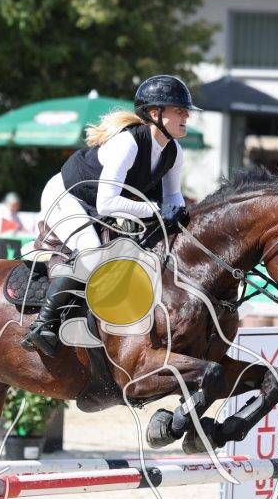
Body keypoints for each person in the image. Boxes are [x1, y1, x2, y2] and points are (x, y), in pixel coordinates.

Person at [21, 75, 193, 356]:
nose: (187, 115)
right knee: (92, 253)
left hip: (104, 204)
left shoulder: (174, 151)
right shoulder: (128, 143)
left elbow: (173, 197)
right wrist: (155, 210)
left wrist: (181, 217)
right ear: (155, 113)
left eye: (185, 111)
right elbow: (107, 203)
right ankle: (43, 325)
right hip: (68, 196)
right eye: (179, 110)